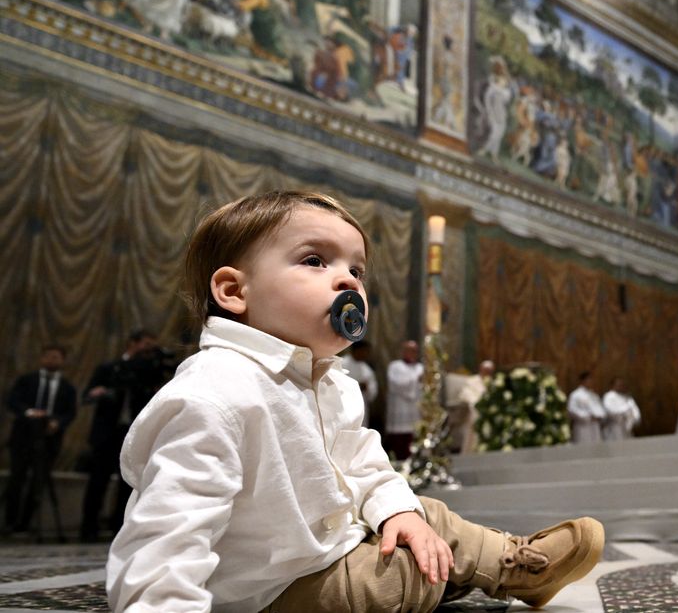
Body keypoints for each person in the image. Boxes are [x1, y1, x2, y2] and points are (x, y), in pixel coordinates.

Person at [107, 190, 604, 611]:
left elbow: (365, 466)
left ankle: (514, 565)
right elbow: (169, 533)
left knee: (426, 514)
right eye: (315, 261)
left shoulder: (334, 383)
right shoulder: (215, 393)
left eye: (357, 270)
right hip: (269, 589)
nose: (348, 281)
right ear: (234, 290)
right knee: (397, 577)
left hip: (330, 546)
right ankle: (457, 573)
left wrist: (396, 514)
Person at [80, 329, 163, 542]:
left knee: (128, 484)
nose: (149, 350)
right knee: (98, 481)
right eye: (146, 344)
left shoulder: (149, 371)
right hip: (106, 433)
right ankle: (88, 529)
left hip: (132, 435)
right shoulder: (109, 368)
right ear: (132, 343)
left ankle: (120, 529)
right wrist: (100, 392)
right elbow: (87, 396)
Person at [4, 344, 76, 532]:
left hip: (49, 440)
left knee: (39, 481)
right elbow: (13, 401)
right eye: (49, 356)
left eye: (56, 357)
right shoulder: (27, 380)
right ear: (42, 358)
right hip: (23, 436)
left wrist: (57, 422)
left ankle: (25, 523)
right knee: (16, 479)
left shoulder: (67, 387)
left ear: (62, 360)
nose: (52, 360)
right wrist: (29, 413)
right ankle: (9, 522)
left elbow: (70, 412)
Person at [385, 340, 423, 460]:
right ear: (403, 351)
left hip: (415, 409)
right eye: (409, 350)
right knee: (399, 441)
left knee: (415, 437)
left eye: (415, 351)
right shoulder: (395, 366)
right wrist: (416, 379)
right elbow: (396, 384)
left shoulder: (420, 367)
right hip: (399, 407)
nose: (412, 353)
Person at [446, 360, 492, 454]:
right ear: (481, 369)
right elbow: (465, 394)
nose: (487, 373)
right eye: (486, 370)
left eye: (489, 371)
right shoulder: (472, 381)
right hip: (474, 412)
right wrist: (477, 403)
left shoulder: (493, 382)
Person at [341, 340, 377, 429]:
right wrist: (356, 386)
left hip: (361, 406)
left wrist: (367, 388)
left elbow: (373, 390)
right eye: (365, 351)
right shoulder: (342, 363)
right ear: (356, 350)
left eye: (368, 351)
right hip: (344, 406)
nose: (366, 354)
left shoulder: (366, 369)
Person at [567, 371, 604, 444]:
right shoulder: (575, 394)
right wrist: (588, 417)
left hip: (595, 426)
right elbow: (572, 410)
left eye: (592, 379)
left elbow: (600, 409)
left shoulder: (594, 395)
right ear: (582, 380)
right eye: (589, 379)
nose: (591, 382)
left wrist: (599, 416)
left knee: (596, 449)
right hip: (582, 426)